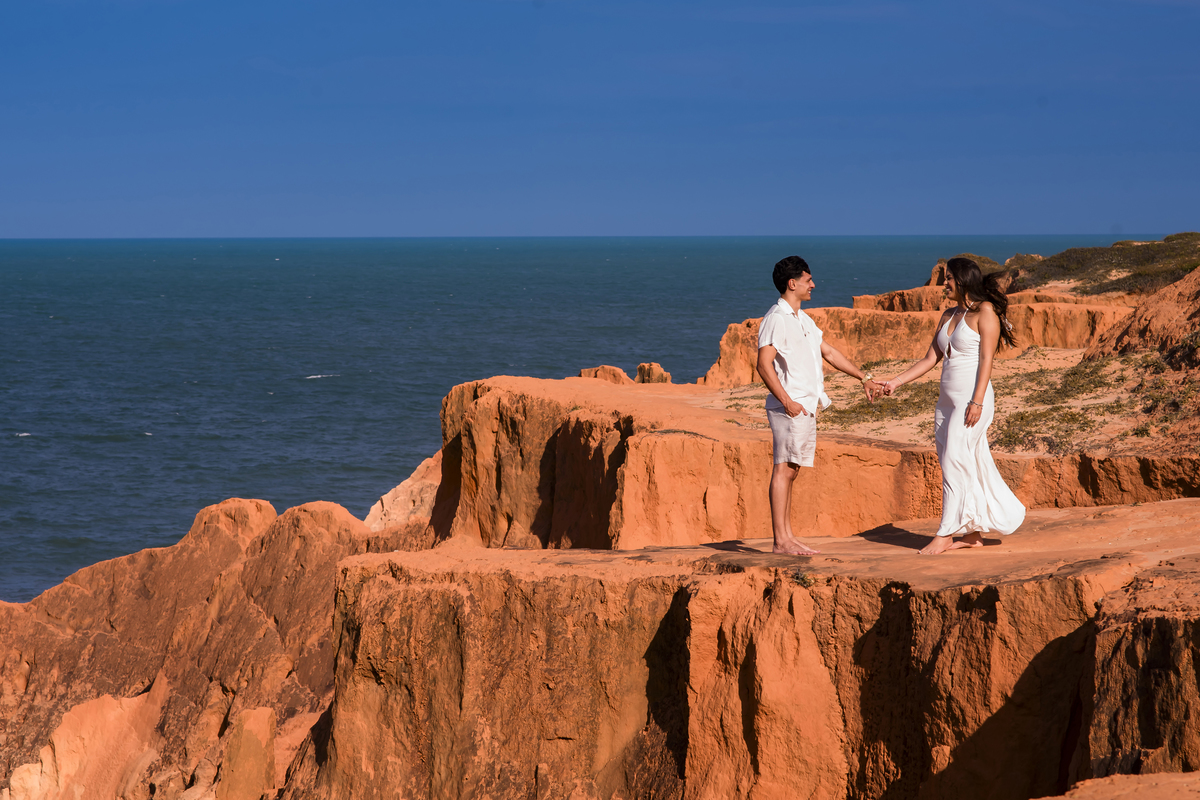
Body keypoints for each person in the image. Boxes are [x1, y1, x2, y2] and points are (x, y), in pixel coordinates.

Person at [879, 257, 1026, 554]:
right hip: (946, 403)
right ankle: (972, 534)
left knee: (953, 461)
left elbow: (987, 360)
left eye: (948, 278)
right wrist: (895, 382)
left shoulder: (985, 312)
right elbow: (930, 359)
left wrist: (977, 401)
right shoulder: (948, 315)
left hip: (972, 401)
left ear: (962, 280)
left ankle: (946, 534)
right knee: (957, 464)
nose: (943, 283)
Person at [757, 256, 883, 555]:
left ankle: (787, 536)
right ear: (793, 283)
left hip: (804, 405)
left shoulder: (803, 319)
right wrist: (786, 402)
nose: (813, 284)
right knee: (783, 469)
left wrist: (863, 377)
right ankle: (780, 541)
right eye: (808, 279)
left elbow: (828, 352)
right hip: (791, 405)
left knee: (791, 470)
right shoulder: (776, 318)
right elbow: (763, 364)